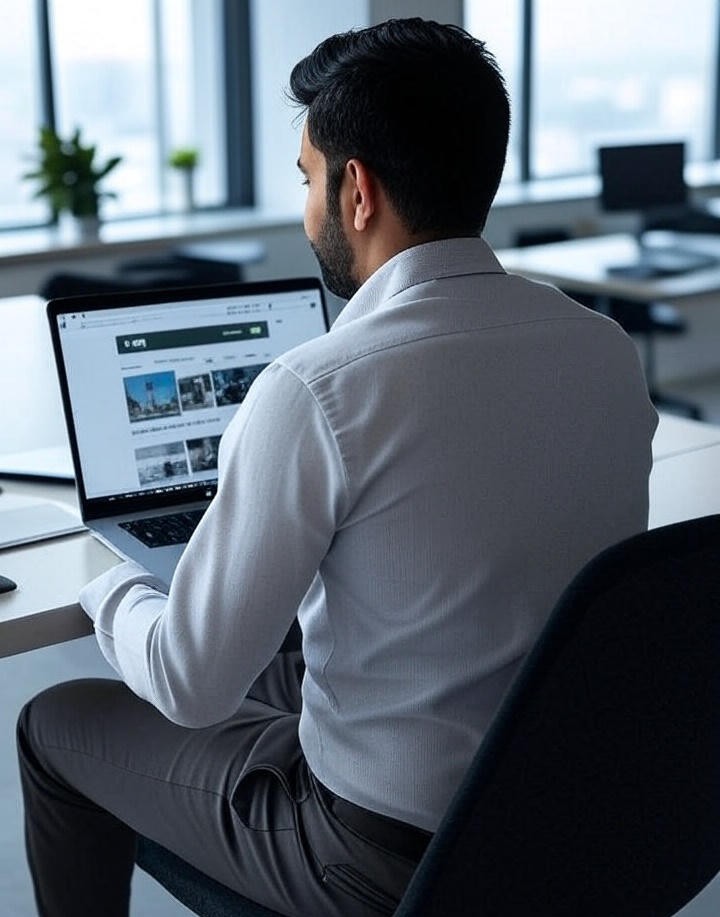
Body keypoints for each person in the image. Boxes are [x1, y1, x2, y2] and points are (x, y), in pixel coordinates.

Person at [17, 18, 657, 917]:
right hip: (552, 815)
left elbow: (190, 683)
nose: (307, 206)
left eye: (309, 178)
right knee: (277, 659)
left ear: (357, 191)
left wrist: (108, 583)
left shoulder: (318, 387)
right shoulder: (603, 350)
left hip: (379, 859)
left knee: (57, 720)